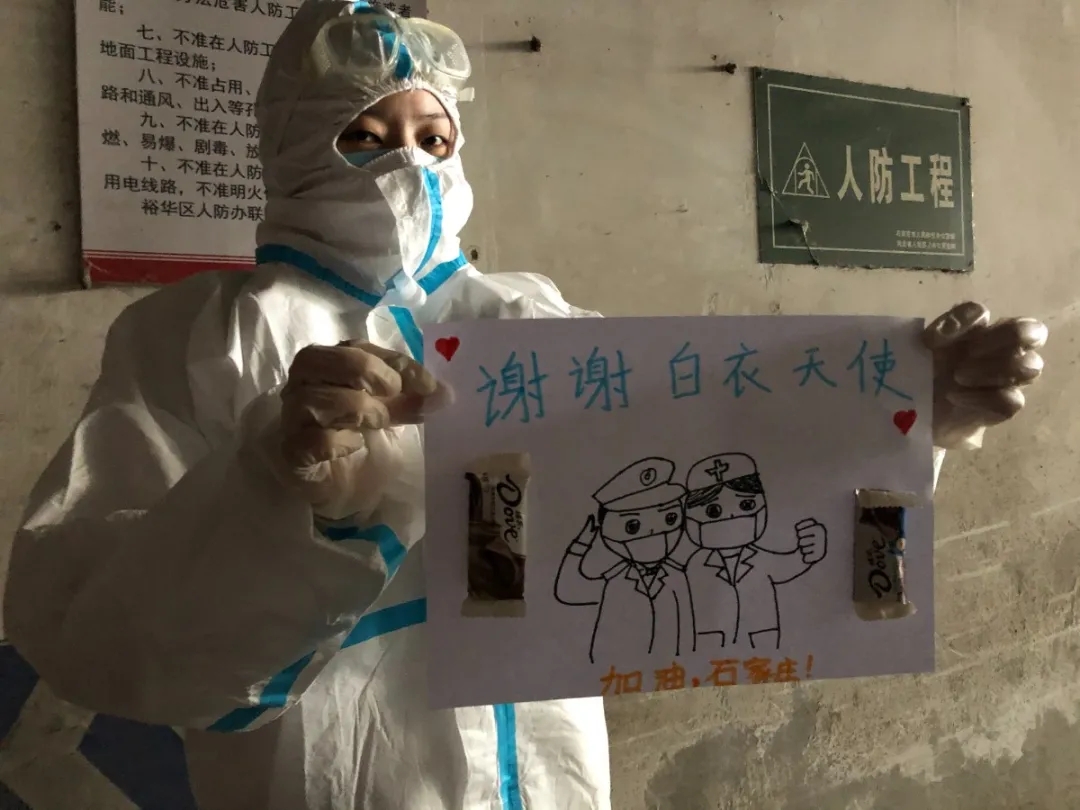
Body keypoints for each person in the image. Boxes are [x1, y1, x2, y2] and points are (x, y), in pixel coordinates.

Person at [2, 1, 1048, 808]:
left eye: (432, 137)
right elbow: (90, 631)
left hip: (546, 768)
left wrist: (906, 414)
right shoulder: (205, 336)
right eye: (363, 137)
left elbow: (722, 466)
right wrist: (272, 489)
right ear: (290, 147)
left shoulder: (529, 322)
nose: (406, 165)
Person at [554, 458, 695, 663]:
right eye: (632, 526)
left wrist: (689, 664)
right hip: (615, 671)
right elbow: (569, 591)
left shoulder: (676, 576)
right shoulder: (616, 579)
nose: (653, 533)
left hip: (666, 669)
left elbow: (686, 627)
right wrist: (580, 546)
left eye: (670, 518)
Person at [680, 452, 827, 650]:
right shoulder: (696, 564)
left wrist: (808, 552)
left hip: (761, 642)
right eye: (713, 511)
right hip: (711, 645)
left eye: (746, 505)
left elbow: (788, 566)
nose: (732, 517)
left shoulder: (760, 559)